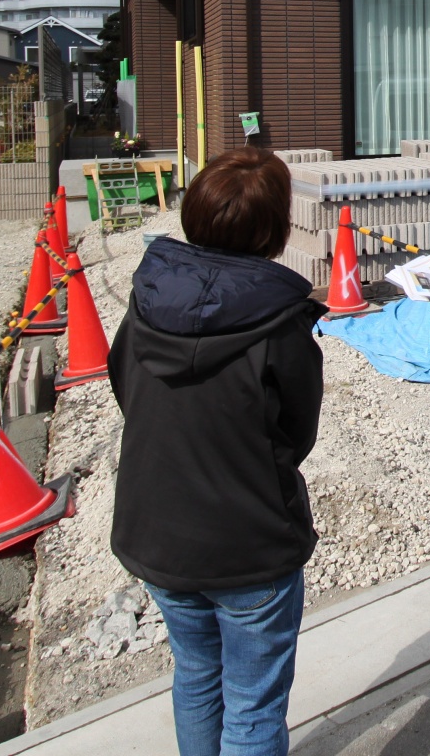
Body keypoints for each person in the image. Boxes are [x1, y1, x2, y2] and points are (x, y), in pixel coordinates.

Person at [107, 146, 325, 756]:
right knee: (253, 704)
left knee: (197, 676)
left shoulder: (147, 301)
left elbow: (125, 385)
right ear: (277, 231)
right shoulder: (280, 324)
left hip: (156, 532)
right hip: (249, 540)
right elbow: (296, 432)